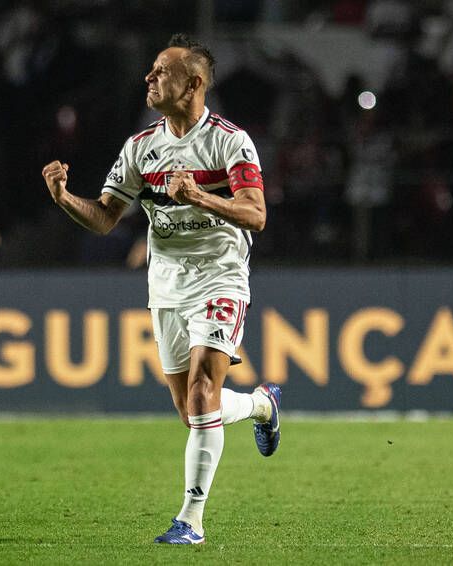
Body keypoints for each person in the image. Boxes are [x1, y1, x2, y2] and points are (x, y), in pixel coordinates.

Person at [41, 33, 280, 544]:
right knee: (192, 407)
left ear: (193, 83)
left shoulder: (229, 141)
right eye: (150, 70)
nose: (149, 78)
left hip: (220, 275)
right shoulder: (140, 147)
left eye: (161, 72)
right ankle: (261, 406)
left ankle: (190, 521)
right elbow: (106, 218)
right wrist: (64, 198)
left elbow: (256, 214)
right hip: (166, 285)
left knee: (200, 390)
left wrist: (198, 196)